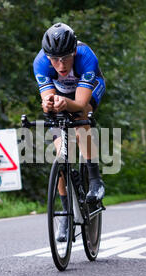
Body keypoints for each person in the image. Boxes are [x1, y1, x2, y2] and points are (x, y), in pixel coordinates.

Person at [33, 22, 106, 242]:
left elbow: (81, 103)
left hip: (88, 89)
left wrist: (66, 102)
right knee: (62, 154)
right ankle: (65, 214)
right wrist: (48, 104)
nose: (60, 64)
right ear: (47, 57)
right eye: (54, 59)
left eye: (65, 57)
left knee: (81, 118)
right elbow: (47, 98)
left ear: (73, 51)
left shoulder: (86, 56)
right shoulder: (41, 63)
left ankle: (95, 179)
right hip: (63, 93)